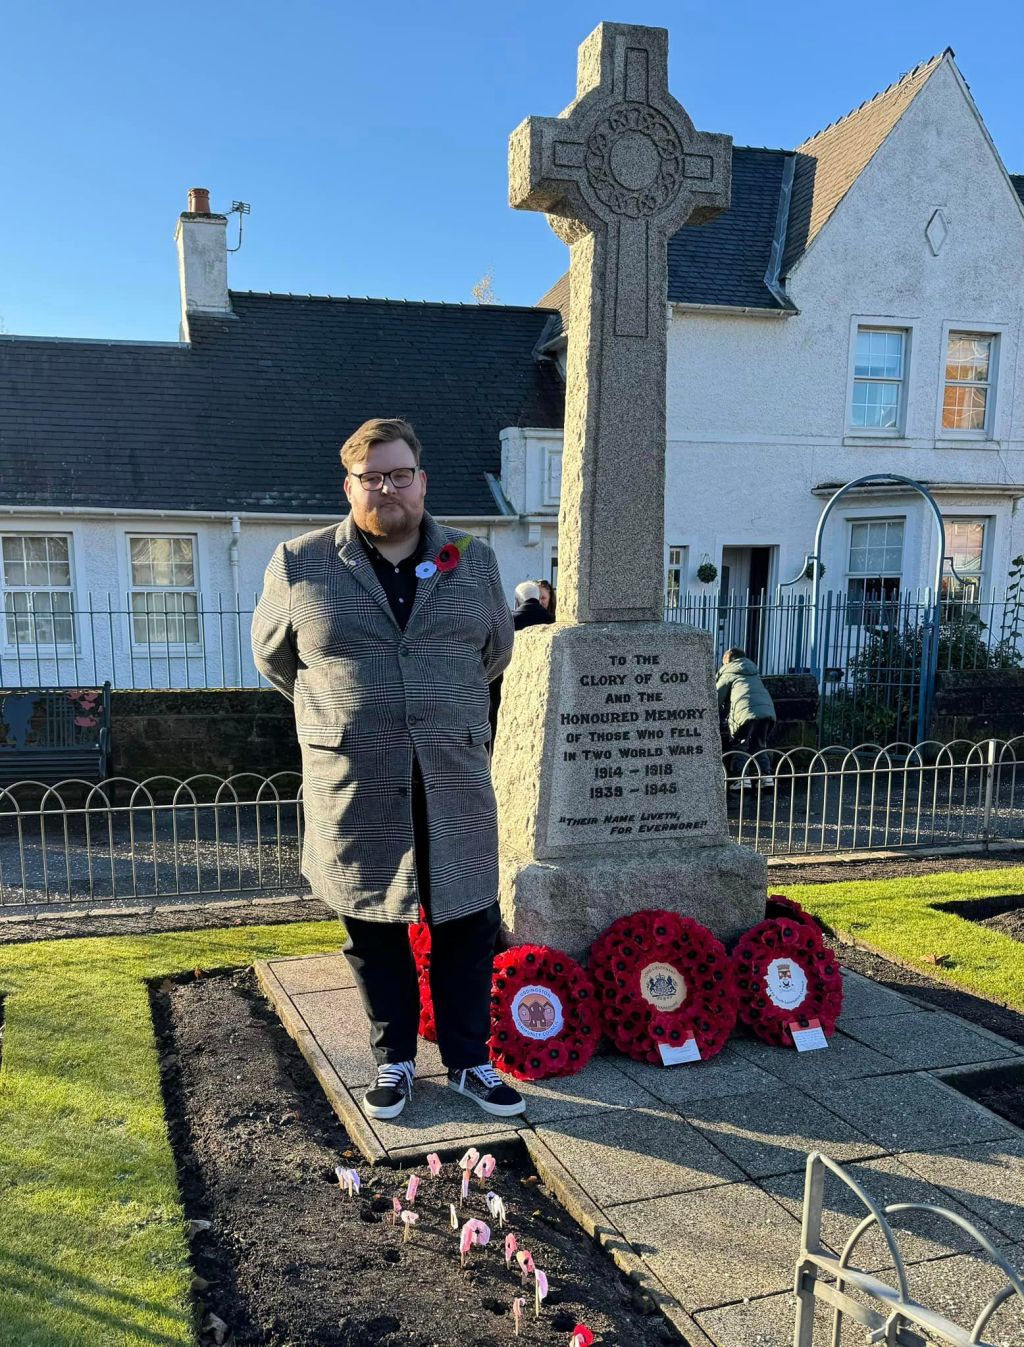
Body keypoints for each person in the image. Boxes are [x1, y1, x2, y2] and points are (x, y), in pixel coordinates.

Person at [251, 417, 525, 1123]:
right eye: (372, 477)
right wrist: (349, 717)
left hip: (451, 776)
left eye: (400, 474)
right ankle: (394, 1060)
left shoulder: (476, 559)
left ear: (422, 481)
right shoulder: (298, 563)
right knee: (374, 929)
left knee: (466, 921)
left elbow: (496, 651)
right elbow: (276, 660)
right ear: (350, 487)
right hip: (357, 783)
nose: (387, 487)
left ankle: (469, 1060)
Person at [716, 648, 777, 789]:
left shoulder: (729, 672)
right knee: (759, 744)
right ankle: (766, 777)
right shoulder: (753, 672)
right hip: (767, 711)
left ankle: (742, 779)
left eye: (723, 662)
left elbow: (716, 697)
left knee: (741, 744)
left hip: (746, 713)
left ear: (728, 661)